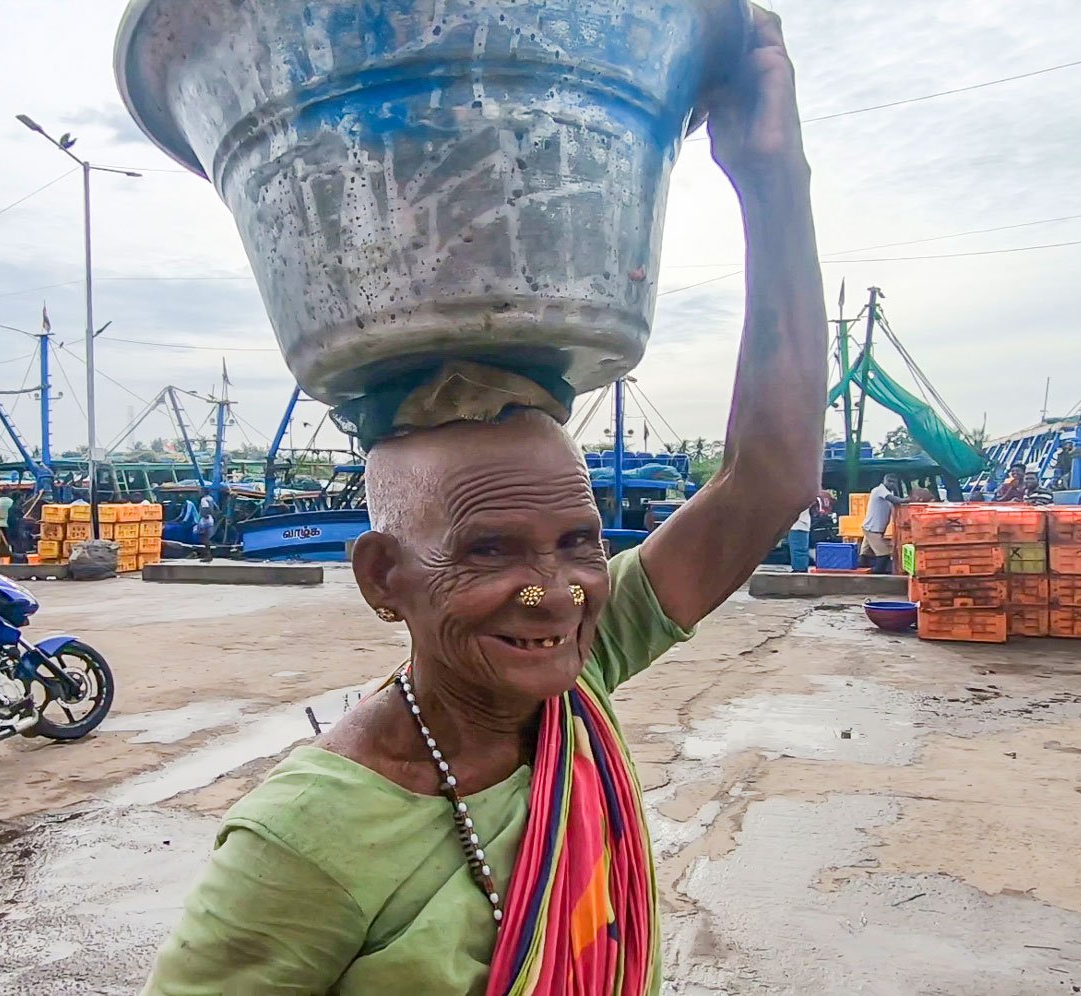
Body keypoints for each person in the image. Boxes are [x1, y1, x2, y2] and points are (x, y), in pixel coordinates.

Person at [143, 11, 825, 994]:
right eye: (491, 550)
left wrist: (770, 179)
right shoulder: (304, 837)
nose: (554, 593)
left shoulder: (577, 679)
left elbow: (768, 477)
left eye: (578, 543)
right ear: (386, 577)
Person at [861, 473, 907, 574]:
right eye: (890, 481)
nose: (892, 484)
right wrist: (909, 500)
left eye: (894, 482)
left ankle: (863, 569)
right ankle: (877, 573)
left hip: (877, 528)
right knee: (883, 554)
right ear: (884, 481)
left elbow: (896, 501)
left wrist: (896, 489)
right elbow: (896, 500)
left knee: (866, 553)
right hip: (872, 528)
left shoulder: (887, 492)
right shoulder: (880, 490)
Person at [787, 502, 813, 573]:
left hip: (798, 524)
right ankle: (800, 568)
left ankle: (799, 568)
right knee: (801, 549)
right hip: (802, 524)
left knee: (798, 549)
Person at [194, 495, 217, 562]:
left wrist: (204, 516)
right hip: (210, 519)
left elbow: (205, 508)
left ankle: (208, 556)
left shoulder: (203, 499)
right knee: (206, 539)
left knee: (204, 539)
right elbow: (216, 508)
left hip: (205, 520)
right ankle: (208, 555)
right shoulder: (211, 498)